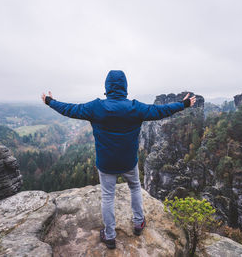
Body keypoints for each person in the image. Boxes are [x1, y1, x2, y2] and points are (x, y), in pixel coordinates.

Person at [41, 70, 196, 249]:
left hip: (106, 163)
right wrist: (183, 104)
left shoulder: (96, 107)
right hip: (129, 161)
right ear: (125, 87)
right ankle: (139, 223)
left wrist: (50, 101)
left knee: (108, 197)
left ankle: (110, 236)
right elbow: (160, 111)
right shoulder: (135, 107)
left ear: (107, 87)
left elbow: (70, 109)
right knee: (135, 187)